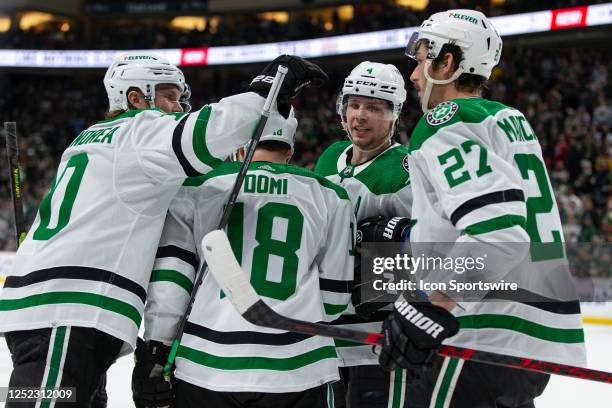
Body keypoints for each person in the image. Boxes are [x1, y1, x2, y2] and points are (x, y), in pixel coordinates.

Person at [0, 52, 327, 407]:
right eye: (169, 96)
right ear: (135, 98)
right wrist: (266, 91)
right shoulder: (139, 132)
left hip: (55, 310)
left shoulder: (90, 139)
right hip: (67, 313)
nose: (177, 107)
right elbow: (210, 129)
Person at [378, 9, 587, 407]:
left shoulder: (445, 121)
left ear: (447, 62)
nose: (414, 75)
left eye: (421, 60)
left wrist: (431, 304)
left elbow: (499, 235)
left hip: (479, 332)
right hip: (531, 340)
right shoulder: (510, 119)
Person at [132, 110, 355, 408]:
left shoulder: (197, 187)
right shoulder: (332, 195)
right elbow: (334, 300)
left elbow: (172, 284)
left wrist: (156, 351)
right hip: (299, 368)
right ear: (289, 151)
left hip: (205, 366)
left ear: (238, 147)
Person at [315, 61, 413, 408]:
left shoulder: (406, 168)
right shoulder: (329, 159)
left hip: (377, 336)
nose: (360, 115)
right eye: (354, 104)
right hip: (324, 336)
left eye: (374, 107)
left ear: (394, 115)